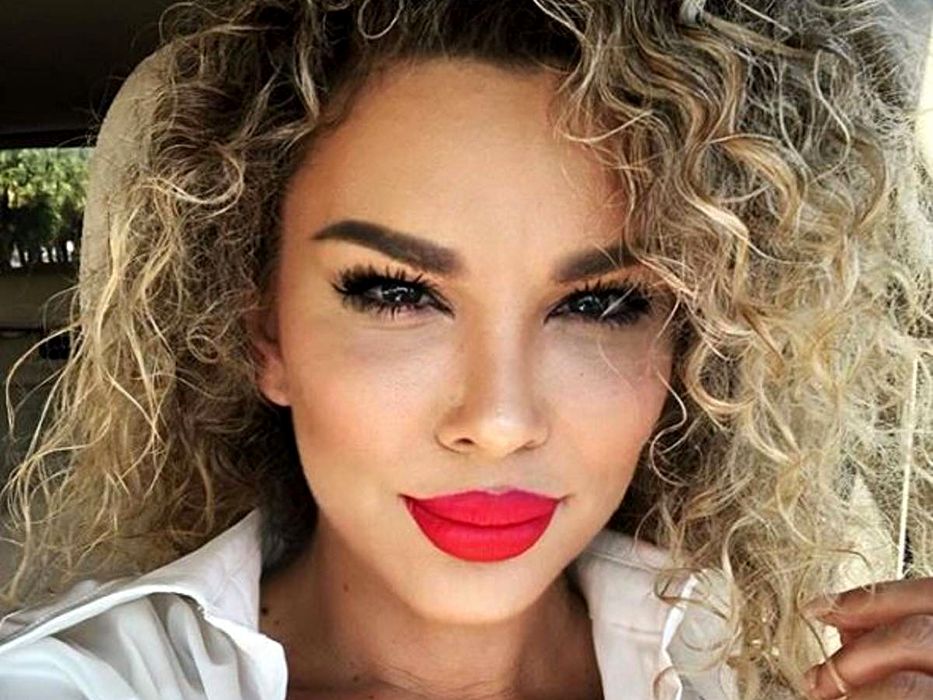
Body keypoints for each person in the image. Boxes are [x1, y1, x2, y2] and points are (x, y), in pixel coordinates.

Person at [0, 0, 931, 698]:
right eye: (397, 294)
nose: (498, 421)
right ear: (265, 335)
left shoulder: (774, 673)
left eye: (600, 304)